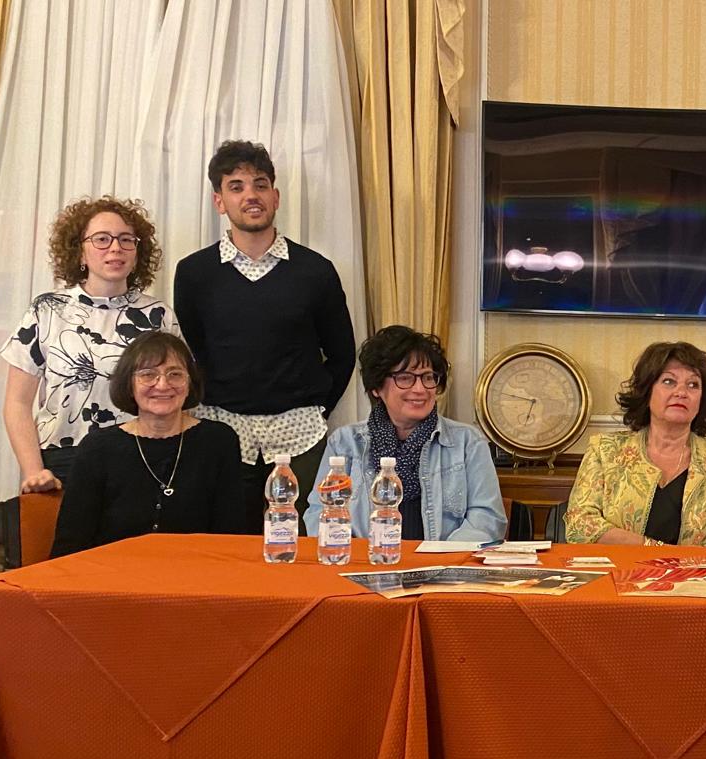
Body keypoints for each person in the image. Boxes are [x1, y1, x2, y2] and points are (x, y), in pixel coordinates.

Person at [173, 140, 356, 528]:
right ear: (219, 201)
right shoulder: (193, 274)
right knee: (226, 543)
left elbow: (342, 353)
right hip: (222, 431)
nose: (250, 195)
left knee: (302, 540)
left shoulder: (315, 271)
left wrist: (315, 407)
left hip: (300, 435)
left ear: (275, 196)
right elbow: (194, 351)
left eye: (260, 184)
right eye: (236, 186)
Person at [0, 196, 178, 491]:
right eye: (102, 239)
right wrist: (35, 471)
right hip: (63, 461)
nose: (115, 248)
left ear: (137, 253)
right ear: (80, 252)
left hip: (143, 458)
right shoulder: (46, 311)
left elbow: (177, 393)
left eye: (126, 240)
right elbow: (17, 403)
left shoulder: (159, 315)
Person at [50, 333, 248, 556]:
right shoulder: (97, 448)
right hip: (113, 572)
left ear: (189, 383)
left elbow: (231, 535)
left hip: (197, 571)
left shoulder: (219, 441)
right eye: (148, 374)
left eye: (175, 374)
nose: (162, 385)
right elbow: (71, 543)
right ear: (129, 384)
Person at [305, 326, 506, 543]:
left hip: (443, 561)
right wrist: (358, 554)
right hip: (366, 560)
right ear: (377, 387)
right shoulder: (344, 443)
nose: (420, 389)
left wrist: (437, 557)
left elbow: (487, 519)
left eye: (427, 377)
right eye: (405, 378)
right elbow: (320, 513)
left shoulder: (468, 442)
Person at [565, 341, 706, 546]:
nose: (681, 392)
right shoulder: (605, 450)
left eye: (693, 384)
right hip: (618, 565)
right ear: (647, 391)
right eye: (669, 381)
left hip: (694, 568)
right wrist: (654, 550)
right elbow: (580, 525)